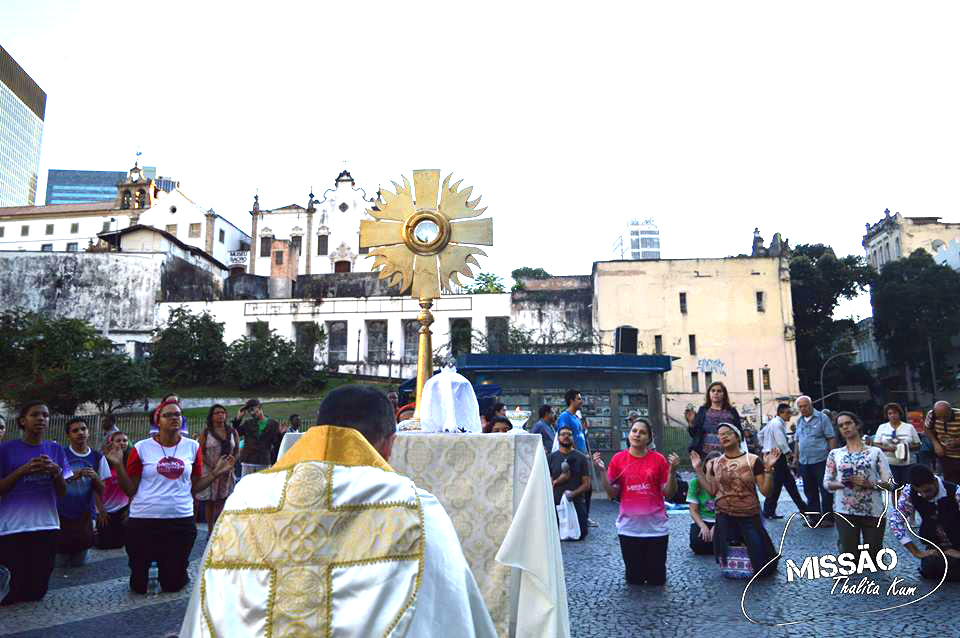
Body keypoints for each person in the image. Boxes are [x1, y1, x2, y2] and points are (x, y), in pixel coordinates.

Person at [179, 385, 497, 637]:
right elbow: (446, 612)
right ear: (389, 444)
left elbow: (212, 604)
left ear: (317, 430)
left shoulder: (246, 497)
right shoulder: (414, 506)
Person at [103, 398, 234, 594]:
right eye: (168, 415)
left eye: (178, 414)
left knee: (173, 584)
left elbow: (194, 487)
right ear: (158, 421)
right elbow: (130, 490)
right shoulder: (141, 447)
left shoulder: (192, 447)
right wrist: (119, 465)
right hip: (143, 520)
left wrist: (215, 473)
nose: (175, 418)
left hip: (179, 520)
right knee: (138, 584)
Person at [592, 419, 679, 585]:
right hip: (629, 530)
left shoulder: (658, 460)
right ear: (629, 434)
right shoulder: (618, 459)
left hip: (656, 530)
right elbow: (611, 494)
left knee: (657, 581)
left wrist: (672, 472)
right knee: (634, 581)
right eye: (634, 431)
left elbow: (669, 493)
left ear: (649, 438)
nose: (637, 434)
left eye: (642, 432)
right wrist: (602, 471)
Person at [0, 401, 71, 605]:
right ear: (23, 421)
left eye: (45, 415)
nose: (41, 418)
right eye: (35, 414)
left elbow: (63, 492)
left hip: (47, 525)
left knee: (37, 591)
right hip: (12, 527)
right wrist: (22, 470)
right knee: (12, 592)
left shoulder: (55, 449)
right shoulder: (5, 450)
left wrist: (56, 472)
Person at [691, 422, 781, 578]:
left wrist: (768, 470)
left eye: (727, 433)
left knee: (762, 567)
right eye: (720, 434)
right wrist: (699, 469)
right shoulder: (716, 463)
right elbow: (712, 491)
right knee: (728, 562)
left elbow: (766, 492)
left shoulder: (752, 460)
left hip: (748, 516)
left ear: (737, 437)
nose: (723, 436)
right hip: (724, 516)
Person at [823, 411, 893, 560]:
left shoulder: (875, 452)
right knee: (850, 558)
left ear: (857, 425)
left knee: (874, 558)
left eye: (848, 423)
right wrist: (842, 483)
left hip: (873, 510)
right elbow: (827, 483)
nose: (845, 427)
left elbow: (890, 484)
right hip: (845, 511)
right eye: (841, 426)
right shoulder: (835, 454)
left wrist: (870, 484)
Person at [890, 464, 960, 582]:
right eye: (919, 492)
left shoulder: (956, 492)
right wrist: (916, 552)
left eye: (928, 490)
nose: (924, 495)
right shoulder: (909, 492)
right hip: (935, 547)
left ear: (935, 481)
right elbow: (896, 522)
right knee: (931, 569)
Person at [56, 417, 110, 566]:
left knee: (79, 562)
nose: (80, 433)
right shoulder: (61, 455)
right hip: (61, 515)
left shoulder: (98, 457)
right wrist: (75, 475)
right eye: (75, 430)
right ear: (68, 435)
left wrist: (95, 478)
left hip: (85, 517)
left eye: (83, 429)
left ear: (88, 432)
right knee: (59, 563)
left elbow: (103, 489)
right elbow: (57, 483)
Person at [758, 403, 807, 519]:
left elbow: (760, 435)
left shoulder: (772, 423)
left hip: (772, 456)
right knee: (784, 485)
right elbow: (781, 441)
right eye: (788, 413)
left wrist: (765, 447)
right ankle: (803, 509)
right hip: (777, 456)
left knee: (781, 485)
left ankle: (769, 511)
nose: (790, 415)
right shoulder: (777, 424)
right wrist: (789, 453)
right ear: (781, 413)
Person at [794, 395, 837, 527]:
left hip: (821, 460)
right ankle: (814, 517)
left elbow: (831, 437)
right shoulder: (799, 421)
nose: (803, 408)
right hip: (804, 461)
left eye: (805, 405)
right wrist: (796, 457)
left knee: (825, 489)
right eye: (800, 406)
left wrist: (833, 457)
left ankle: (828, 518)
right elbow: (797, 441)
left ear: (811, 405)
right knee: (809, 490)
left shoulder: (822, 418)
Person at [195, 404, 239, 530]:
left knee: (222, 500)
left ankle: (219, 528)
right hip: (210, 470)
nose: (221, 415)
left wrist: (232, 461)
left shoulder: (232, 431)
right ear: (212, 416)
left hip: (227, 471)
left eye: (223, 412)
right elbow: (200, 451)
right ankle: (210, 529)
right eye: (217, 413)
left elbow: (236, 449)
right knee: (210, 501)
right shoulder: (206, 432)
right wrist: (213, 466)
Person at [548, 424, 591, 540]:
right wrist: (557, 481)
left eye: (569, 434)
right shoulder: (551, 457)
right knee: (557, 536)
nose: (566, 436)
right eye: (563, 434)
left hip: (576, 504)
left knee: (580, 535)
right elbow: (547, 482)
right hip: (557, 506)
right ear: (558, 438)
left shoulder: (581, 458)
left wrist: (572, 494)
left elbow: (586, 484)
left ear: (573, 438)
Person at [95, 430, 130, 550]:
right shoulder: (103, 461)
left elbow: (134, 488)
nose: (122, 443)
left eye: (125, 440)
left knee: (121, 544)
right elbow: (95, 487)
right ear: (111, 443)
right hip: (105, 510)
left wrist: (130, 508)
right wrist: (100, 509)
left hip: (123, 509)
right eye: (118, 440)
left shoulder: (130, 461)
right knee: (105, 545)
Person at [688, 382, 742, 458]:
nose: (715, 393)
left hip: (728, 454)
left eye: (719, 391)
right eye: (713, 391)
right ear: (709, 394)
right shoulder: (703, 410)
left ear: (724, 394)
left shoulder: (731, 411)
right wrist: (691, 423)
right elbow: (695, 434)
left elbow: (739, 433)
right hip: (706, 455)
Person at [236, 399, 287, 476]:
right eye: (249, 411)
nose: (252, 413)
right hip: (248, 461)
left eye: (253, 409)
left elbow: (276, 444)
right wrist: (238, 419)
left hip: (264, 461)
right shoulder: (248, 423)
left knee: (263, 486)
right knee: (247, 486)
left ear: (259, 407)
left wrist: (281, 434)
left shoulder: (273, 424)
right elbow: (235, 433)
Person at [873, 402, 921, 485]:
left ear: (899, 414)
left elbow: (918, 444)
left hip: (908, 464)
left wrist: (905, 448)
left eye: (895, 413)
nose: (892, 415)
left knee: (908, 488)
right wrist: (888, 448)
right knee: (893, 487)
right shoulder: (882, 427)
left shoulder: (909, 427)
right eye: (890, 413)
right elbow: (876, 444)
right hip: (889, 464)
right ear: (887, 415)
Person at [687, 451, 720, 555]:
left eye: (717, 463)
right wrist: (702, 525)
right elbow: (693, 510)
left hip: (720, 520)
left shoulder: (724, 482)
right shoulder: (695, 482)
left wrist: (717, 526)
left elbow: (728, 510)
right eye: (712, 463)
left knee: (720, 545)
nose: (714, 466)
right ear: (706, 464)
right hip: (703, 520)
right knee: (698, 546)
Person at [924, 400, 960, 482]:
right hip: (945, 456)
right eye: (939, 417)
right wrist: (935, 444)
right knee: (950, 482)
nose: (942, 419)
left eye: (945, 416)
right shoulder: (931, 414)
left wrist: (957, 442)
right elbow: (927, 428)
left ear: (950, 411)